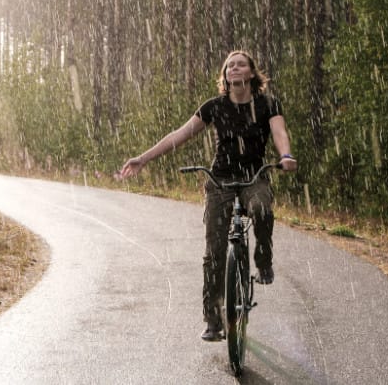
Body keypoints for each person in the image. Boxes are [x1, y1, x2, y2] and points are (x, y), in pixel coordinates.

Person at [119, 50, 297, 342]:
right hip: (221, 180)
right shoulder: (215, 107)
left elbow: (279, 133)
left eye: (241, 64)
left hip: (254, 176)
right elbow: (179, 134)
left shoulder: (267, 104)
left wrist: (286, 155)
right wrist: (143, 158)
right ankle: (213, 319)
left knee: (262, 209)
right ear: (225, 76)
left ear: (251, 73)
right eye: (230, 66)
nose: (234, 68)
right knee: (214, 252)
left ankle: (263, 259)